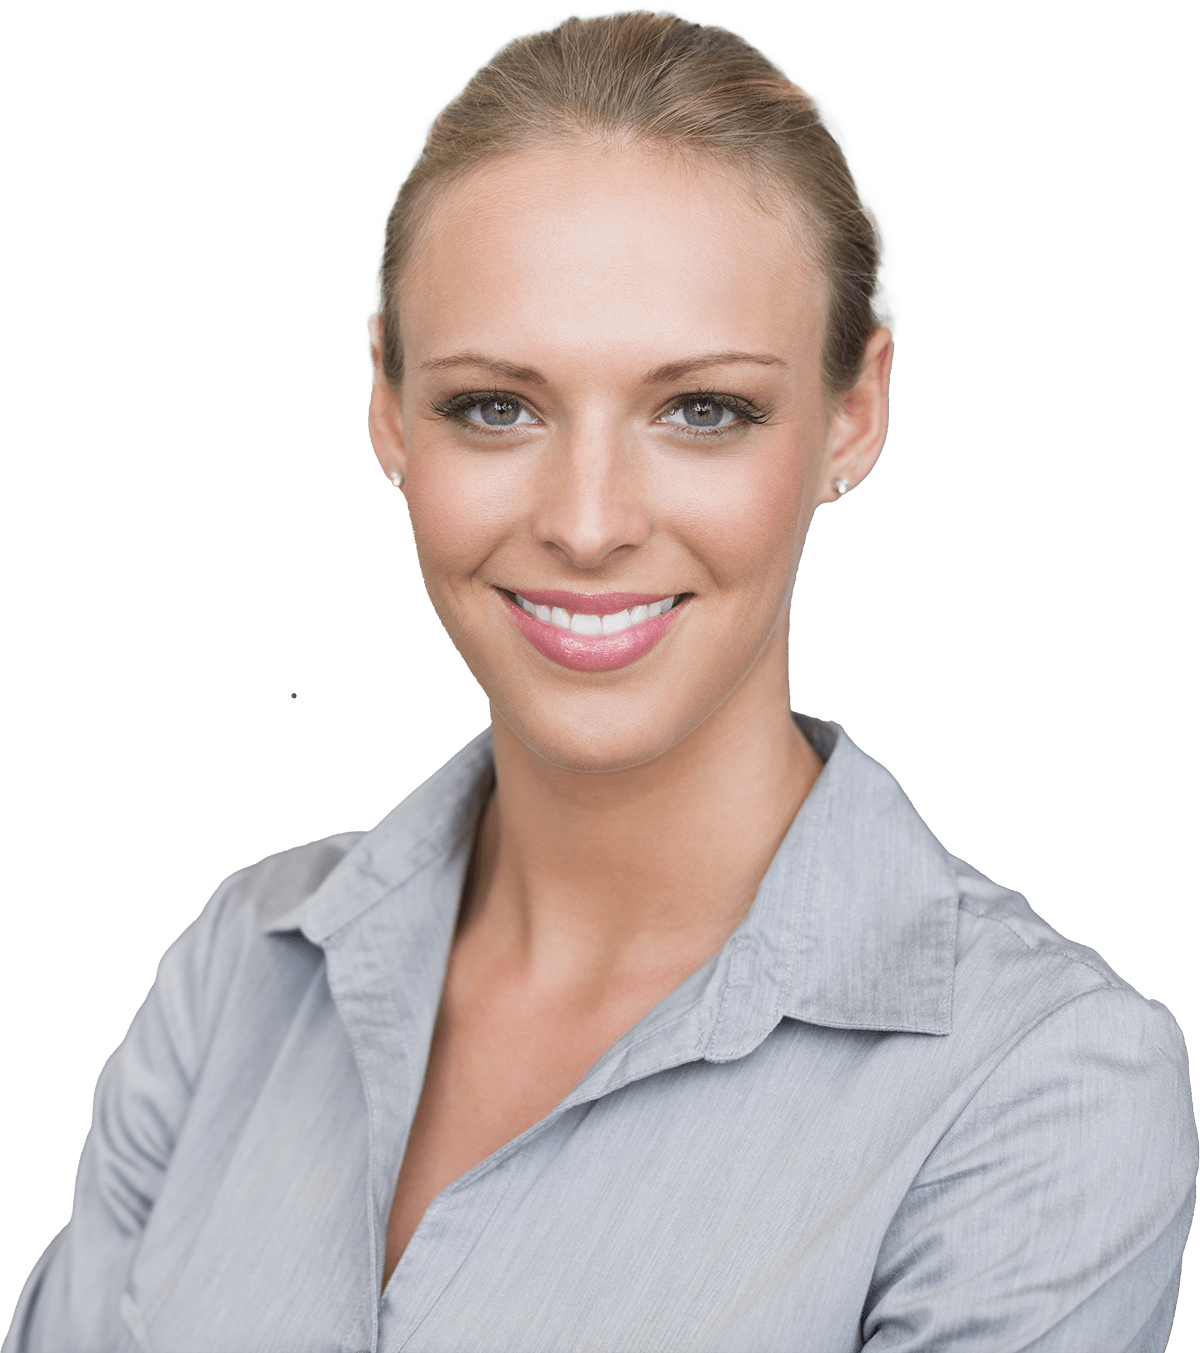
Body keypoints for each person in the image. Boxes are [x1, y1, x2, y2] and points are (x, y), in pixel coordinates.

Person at [5, 9, 1196, 1352]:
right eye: (495, 406)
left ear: (852, 413)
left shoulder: (1039, 1084)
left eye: (703, 410)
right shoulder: (240, 973)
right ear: (391, 408)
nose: (586, 522)